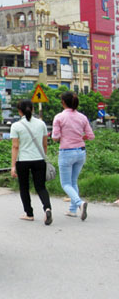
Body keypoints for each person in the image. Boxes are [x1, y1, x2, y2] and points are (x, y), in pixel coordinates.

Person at [51, 91, 95, 220]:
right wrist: (80, 137)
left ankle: (80, 203)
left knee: (65, 183)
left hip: (66, 152)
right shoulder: (82, 117)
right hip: (81, 151)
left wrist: (62, 137)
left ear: (63, 102)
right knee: (73, 181)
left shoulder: (59, 117)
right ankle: (72, 210)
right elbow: (91, 136)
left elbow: (55, 137)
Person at [10, 100, 53, 225]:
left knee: (24, 188)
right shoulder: (41, 124)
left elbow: (15, 147)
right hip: (39, 159)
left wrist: (13, 166)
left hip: (23, 161)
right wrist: (43, 156)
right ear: (33, 109)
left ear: (19, 111)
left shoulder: (16, 126)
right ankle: (47, 208)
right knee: (41, 187)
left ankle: (29, 213)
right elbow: (45, 144)